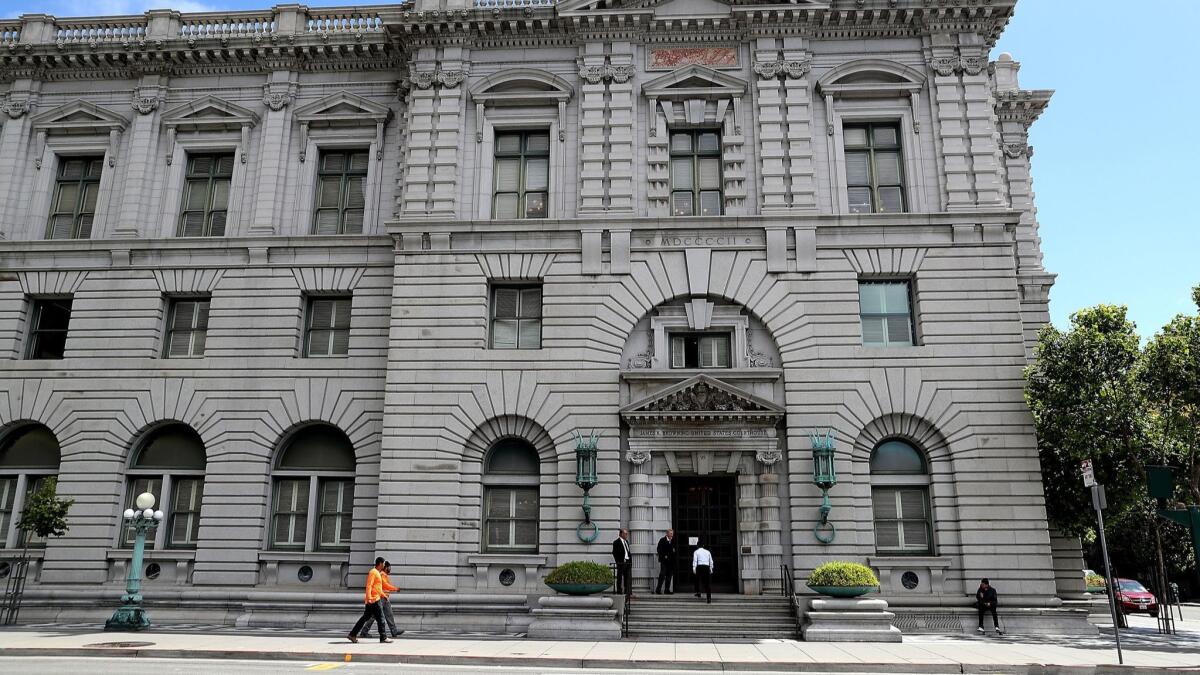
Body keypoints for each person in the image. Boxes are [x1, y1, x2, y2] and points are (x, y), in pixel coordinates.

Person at [348, 557, 393, 643]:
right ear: (380, 563)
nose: (384, 565)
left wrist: (383, 595)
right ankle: (383, 637)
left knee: (365, 618)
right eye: (383, 563)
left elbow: (378, 588)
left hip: (374, 598)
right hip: (374, 599)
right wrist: (369, 598)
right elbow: (369, 585)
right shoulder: (373, 572)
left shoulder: (377, 573)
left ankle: (352, 634)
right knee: (381, 618)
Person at [359, 561, 403, 639]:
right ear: (386, 567)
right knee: (373, 616)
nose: (390, 569)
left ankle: (394, 631)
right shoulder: (381, 574)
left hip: (385, 597)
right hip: (381, 597)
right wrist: (395, 588)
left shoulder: (384, 575)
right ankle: (364, 632)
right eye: (389, 567)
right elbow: (385, 585)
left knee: (389, 614)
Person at [611, 528, 632, 596]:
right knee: (619, 577)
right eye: (625, 534)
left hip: (627, 562)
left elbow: (628, 552)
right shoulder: (616, 542)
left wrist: (630, 560)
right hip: (621, 562)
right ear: (621, 534)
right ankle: (619, 590)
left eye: (627, 534)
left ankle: (627, 591)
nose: (626, 535)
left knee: (627, 577)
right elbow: (614, 553)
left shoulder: (626, 542)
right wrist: (618, 561)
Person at [655, 528, 676, 595]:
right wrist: (664, 556)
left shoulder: (673, 541)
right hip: (664, 561)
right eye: (670, 533)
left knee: (669, 576)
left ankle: (667, 590)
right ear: (667, 534)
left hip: (671, 562)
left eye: (672, 533)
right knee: (662, 575)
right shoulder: (662, 540)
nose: (672, 535)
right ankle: (658, 589)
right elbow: (659, 549)